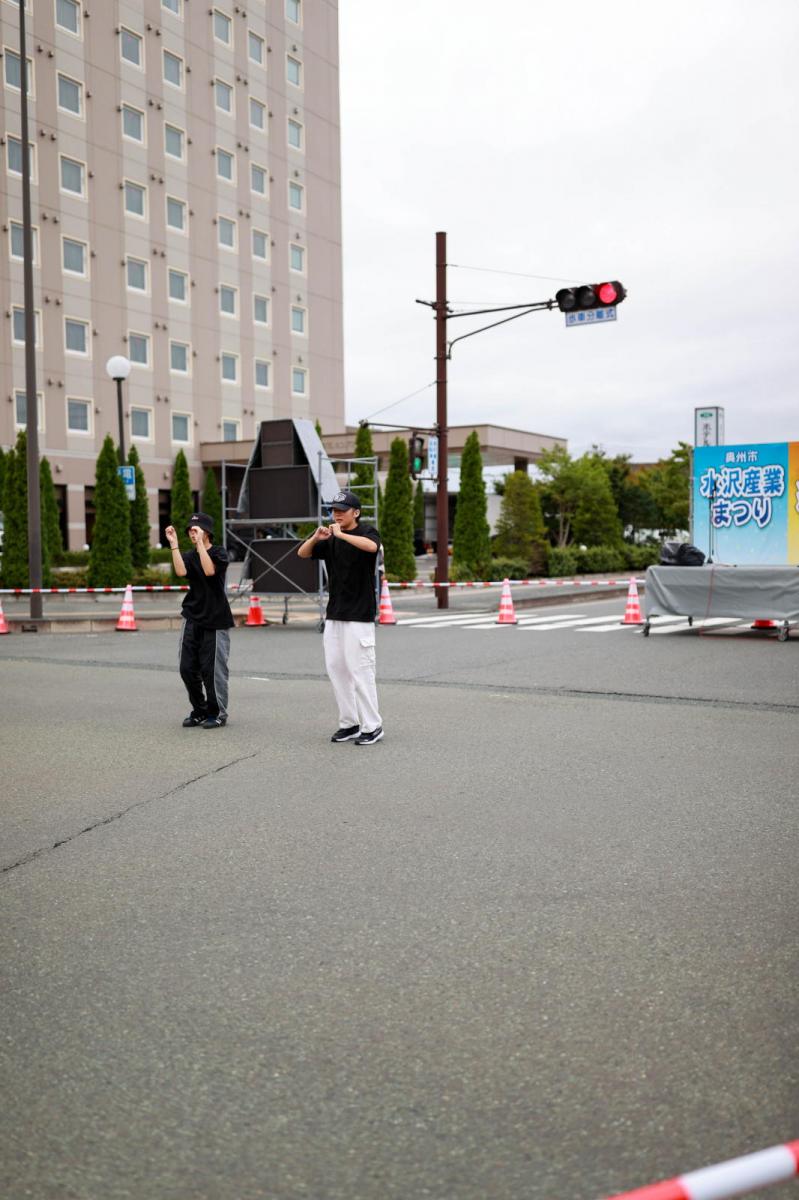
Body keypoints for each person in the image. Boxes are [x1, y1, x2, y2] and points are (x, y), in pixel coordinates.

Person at [297, 489, 383, 745]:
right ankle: (350, 723)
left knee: (361, 671)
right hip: (335, 613)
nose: (336, 514)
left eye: (342, 511)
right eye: (333, 510)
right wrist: (316, 537)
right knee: (337, 669)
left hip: (360, 615)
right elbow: (303, 553)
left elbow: (372, 547)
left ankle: (373, 725)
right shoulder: (331, 536)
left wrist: (342, 534)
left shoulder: (366, 532)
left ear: (355, 512)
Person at [165, 512, 234, 729]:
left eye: (196, 530)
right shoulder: (189, 555)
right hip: (192, 616)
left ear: (206, 532)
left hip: (216, 618)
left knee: (212, 670)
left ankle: (217, 712)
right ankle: (199, 710)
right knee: (187, 667)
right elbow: (180, 571)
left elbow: (209, 570)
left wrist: (203, 545)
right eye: (190, 530)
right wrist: (174, 544)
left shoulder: (219, 553)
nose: (191, 533)